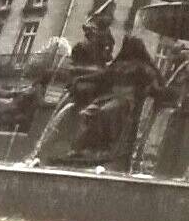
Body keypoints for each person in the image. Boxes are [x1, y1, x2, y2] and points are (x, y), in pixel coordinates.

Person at [66, 36, 169, 170]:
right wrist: (82, 78)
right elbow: (101, 76)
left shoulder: (142, 67)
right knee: (86, 113)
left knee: (105, 112)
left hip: (126, 100)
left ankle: (107, 147)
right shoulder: (118, 65)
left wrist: (153, 90)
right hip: (110, 97)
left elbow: (155, 84)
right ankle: (82, 148)